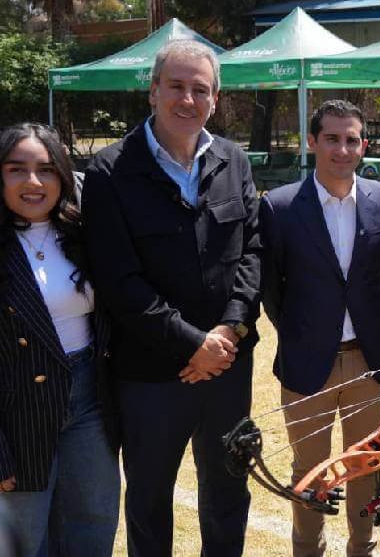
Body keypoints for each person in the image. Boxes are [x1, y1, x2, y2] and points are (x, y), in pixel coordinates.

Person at [82, 39, 261, 556]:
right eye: (176, 87)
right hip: (149, 377)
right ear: (153, 91)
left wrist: (226, 334)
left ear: (215, 97)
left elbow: (252, 253)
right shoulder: (110, 172)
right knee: (149, 500)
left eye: (200, 90)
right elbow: (120, 282)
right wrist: (191, 346)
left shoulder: (233, 161)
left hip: (227, 368)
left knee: (228, 492)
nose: (188, 99)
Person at [260, 100, 380, 557]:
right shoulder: (279, 207)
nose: (343, 149)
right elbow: (272, 291)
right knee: (312, 472)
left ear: (363, 144)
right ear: (312, 142)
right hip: (306, 365)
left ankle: (363, 546)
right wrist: (308, 332)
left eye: (352, 139)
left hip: (367, 361)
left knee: (363, 466)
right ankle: (308, 550)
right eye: (332, 138)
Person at [0, 124, 119, 556]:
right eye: (17, 170)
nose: (33, 182)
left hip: (89, 400)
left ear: (63, 177)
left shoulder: (82, 233)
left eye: (46, 170)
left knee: (93, 523)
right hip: (17, 411)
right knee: (23, 538)